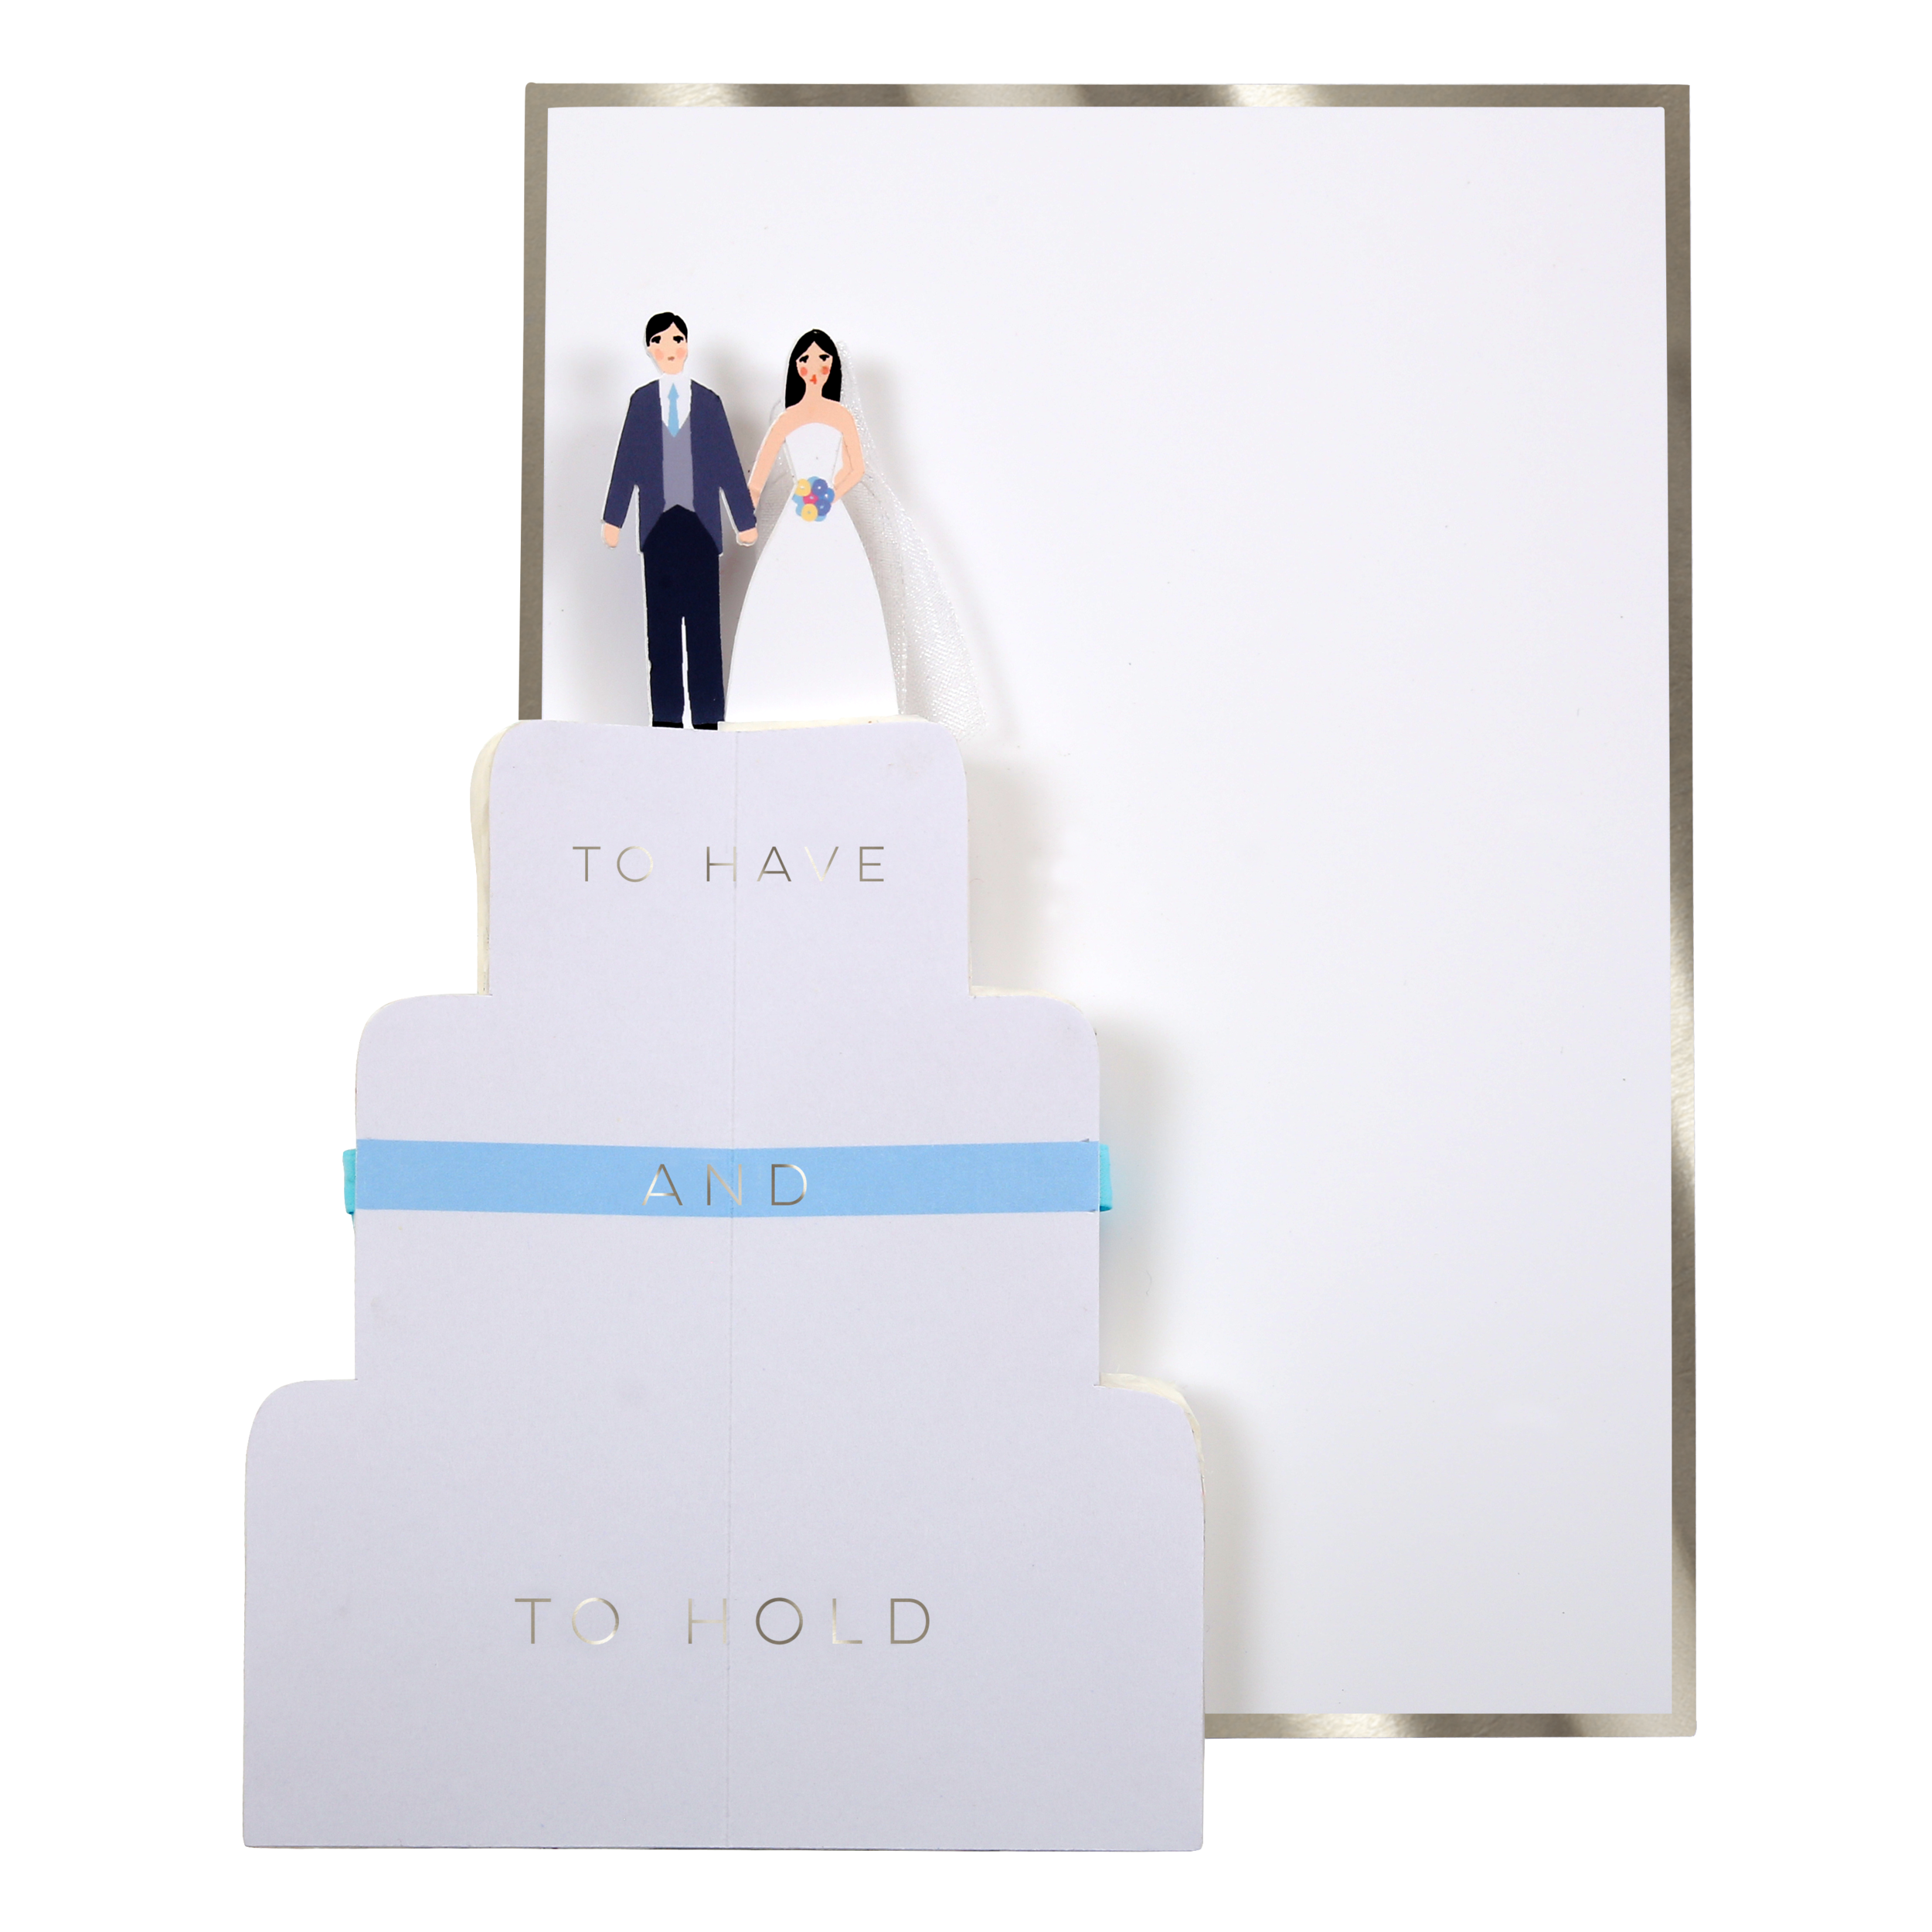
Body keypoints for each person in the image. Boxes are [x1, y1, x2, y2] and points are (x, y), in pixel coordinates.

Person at [724, 330, 900, 724]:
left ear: (833, 366)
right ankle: (781, 677)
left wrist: (830, 494)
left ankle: (850, 680)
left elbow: (856, 467)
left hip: (827, 510)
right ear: (796, 367)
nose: (815, 367)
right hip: (797, 511)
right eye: (806, 359)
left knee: (839, 586)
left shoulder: (841, 416)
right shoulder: (787, 419)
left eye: (823, 359)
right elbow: (760, 473)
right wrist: (745, 512)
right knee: (788, 584)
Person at [601, 312, 757, 728]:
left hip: (701, 528)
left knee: (706, 628)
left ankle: (708, 719)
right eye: (659, 341)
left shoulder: (708, 402)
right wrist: (614, 519)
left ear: (687, 345)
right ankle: (667, 720)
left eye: (676, 339)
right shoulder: (641, 403)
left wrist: (743, 519)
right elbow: (627, 463)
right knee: (662, 631)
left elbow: (727, 462)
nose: (669, 348)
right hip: (658, 529)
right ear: (649, 349)